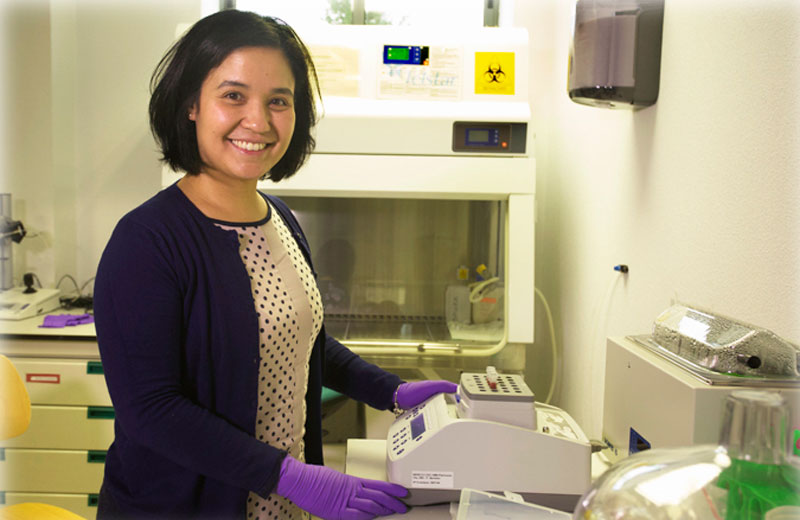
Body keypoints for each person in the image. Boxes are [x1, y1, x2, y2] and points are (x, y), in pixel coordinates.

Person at [93, 10, 457, 520]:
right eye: (233, 96)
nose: (258, 122)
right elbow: (151, 411)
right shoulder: (147, 241)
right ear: (191, 105)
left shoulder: (278, 218)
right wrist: (291, 476)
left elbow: (297, 339)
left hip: (279, 504)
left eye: (278, 102)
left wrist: (389, 390)